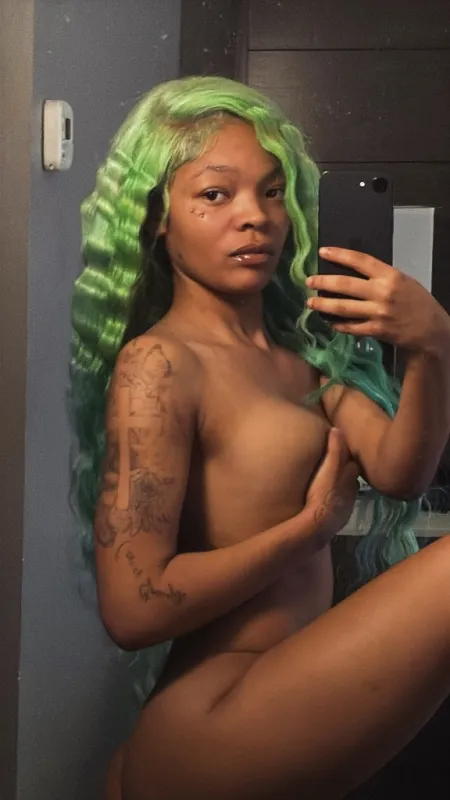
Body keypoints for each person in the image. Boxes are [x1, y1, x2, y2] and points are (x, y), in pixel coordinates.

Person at [70, 76, 450, 800]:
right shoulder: (160, 364)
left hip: (282, 693)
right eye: (216, 194)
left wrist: (434, 345)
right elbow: (132, 608)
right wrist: (308, 532)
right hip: (216, 717)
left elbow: (402, 470)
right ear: (158, 217)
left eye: (272, 192)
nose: (255, 217)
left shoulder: (302, 363)